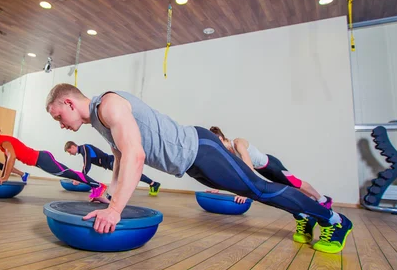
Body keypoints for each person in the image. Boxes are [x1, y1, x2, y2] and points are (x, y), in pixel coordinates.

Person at [46, 84, 353, 254]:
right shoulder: (100, 121)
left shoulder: (109, 106)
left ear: (71, 103)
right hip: (194, 163)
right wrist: (110, 195)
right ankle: (303, 215)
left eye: (59, 117)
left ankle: (335, 219)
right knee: (257, 191)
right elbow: (121, 159)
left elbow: (136, 157)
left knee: (260, 189)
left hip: (201, 149)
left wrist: (115, 211)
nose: (61, 126)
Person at [208, 126, 332, 209]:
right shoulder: (229, 153)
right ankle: (311, 200)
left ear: (220, 138)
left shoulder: (237, 143)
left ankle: (323, 199)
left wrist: (246, 194)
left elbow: (248, 169)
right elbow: (231, 173)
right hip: (263, 170)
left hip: (271, 165)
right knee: (288, 186)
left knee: (294, 182)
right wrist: (218, 187)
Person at [0, 123, 107, 200]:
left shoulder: (5, 141)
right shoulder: (3, 144)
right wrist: (2, 176)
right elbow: (6, 162)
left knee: (68, 173)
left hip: (42, 159)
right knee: (68, 173)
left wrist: (5, 178)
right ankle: (96, 186)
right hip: (41, 160)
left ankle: (97, 185)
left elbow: (11, 159)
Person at [64, 141, 161, 196]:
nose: (70, 154)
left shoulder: (84, 148)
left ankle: (112, 196)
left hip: (111, 161)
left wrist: (79, 178)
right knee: (130, 174)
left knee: (130, 174)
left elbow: (87, 165)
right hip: (110, 163)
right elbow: (87, 165)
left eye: (69, 151)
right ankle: (153, 184)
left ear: (73, 146)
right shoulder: (84, 150)